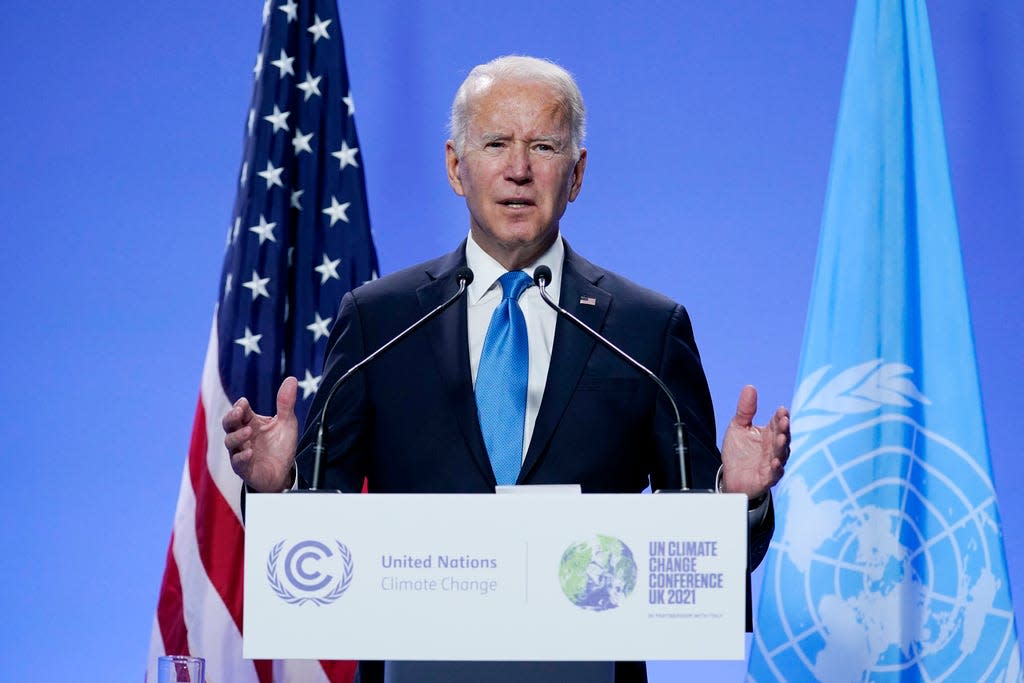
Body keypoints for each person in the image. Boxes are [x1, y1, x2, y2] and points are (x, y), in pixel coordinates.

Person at [225, 55, 790, 683]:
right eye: (496, 143)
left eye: (543, 146)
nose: (518, 170)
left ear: (575, 175)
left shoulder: (647, 330)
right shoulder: (378, 322)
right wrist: (277, 495)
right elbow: (316, 543)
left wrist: (738, 503)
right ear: (455, 167)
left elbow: (701, 557)